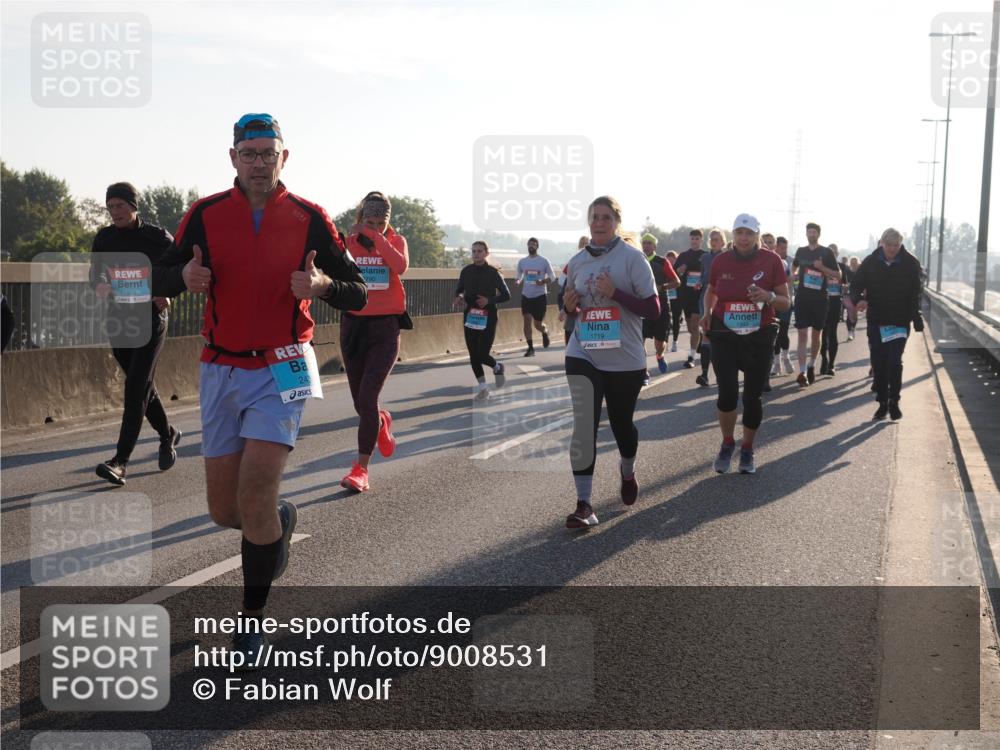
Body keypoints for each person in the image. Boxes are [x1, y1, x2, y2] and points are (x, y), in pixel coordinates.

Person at [152, 113, 367, 664]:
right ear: (233, 159)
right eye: (249, 153)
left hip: (282, 366)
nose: (259, 163)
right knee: (226, 511)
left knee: (254, 495)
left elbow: (359, 293)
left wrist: (322, 284)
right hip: (220, 368)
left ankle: (250, 622)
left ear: (283, 158)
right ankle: (281, 520)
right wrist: (183, 280)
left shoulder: (310, 217)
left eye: (268, 153)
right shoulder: (202, 216)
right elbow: (157, 276)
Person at [562, 196, 658, 529]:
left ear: (616, 222)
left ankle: (627, 469)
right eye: (594, 217)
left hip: (625, 358)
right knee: (584, 424)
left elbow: (653, 310)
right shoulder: (576, 262)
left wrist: (616, 293)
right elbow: (570, 307)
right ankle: (584, 504)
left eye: (606, 217)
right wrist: (570, 304)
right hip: (583, 352)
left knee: (621, 426)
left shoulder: (633, 259)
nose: (599, 223)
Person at [90, 182, 180, 486]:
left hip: (151, 320)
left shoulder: (156, 237)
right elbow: (94, 275)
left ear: (134, 206)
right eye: (111, 206)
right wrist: (100, 285)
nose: (115, 212)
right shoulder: (104, 238)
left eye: (121, 206)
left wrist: (168, 293)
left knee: (135, 388)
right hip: (119, 320)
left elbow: (182, 268)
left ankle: (120, 462)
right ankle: (167, 435)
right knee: (141, 387)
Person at [700, 214, 791, 474]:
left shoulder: (771, 260)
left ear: (756, 236)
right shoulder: (721, 260)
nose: (743, 237)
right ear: (733, 235)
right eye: (739, 232)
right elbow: (711, 290)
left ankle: (748, 449)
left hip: (759, 335)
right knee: (727, 393)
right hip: (725, 334)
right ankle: (728, 443)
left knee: (752, 397)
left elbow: (786, 302)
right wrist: (707, 313)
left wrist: (768, 296)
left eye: (748, 233)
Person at [339, 192, 409, 493]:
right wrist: (350, 240)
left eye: (382, 223)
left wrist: (377, 238)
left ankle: (361, 470)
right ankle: (381, 421)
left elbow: (400, 265)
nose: (376, 227)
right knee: (361, 404)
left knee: (367, 399)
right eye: (370, 222)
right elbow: (334, 273)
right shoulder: (347, 242)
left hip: (386, 328)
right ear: (360, 217)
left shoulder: (395, 240)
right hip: (353, 327)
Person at [850, 228, 924, 420]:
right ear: (882, 243)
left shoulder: (910, 262)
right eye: (889, 245)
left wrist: (916, 316)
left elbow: (917, 291)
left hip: (899, 320)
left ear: (900, 244)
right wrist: (859, 300)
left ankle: (894, 401)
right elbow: (856, 285)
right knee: (879, 363)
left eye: (896, 246)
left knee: (894, 362)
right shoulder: (870, 261)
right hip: (877, 320)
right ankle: (882, 402)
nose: (892, 249)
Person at [454, 241, 511, 400]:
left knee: (482, 354)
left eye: (479, 251)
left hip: (488, 317)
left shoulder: (493, 273)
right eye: (473, 251)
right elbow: (460, 289)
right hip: (471, 316)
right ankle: (483, 388)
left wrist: (489, 300)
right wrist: (459, 297)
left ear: (486, 253)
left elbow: (507, 295)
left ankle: (497, 366)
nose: (476, 254)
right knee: (473, 355)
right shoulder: (466, 271)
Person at [792, 222, 841, 387]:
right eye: (809, 232)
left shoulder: (826, 252)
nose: (811, 234)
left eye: (814, 232)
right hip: (802, 298)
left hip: (820, 299)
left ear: (818, 234)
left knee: (816, 335)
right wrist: (793, 275)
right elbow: (795, 268)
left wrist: (822, 267)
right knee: (802, 334)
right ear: (806, 234)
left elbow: (838, 275)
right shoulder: (800, 251)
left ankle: (812, 364)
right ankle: (803, 371)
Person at [641, 233, 680, 379]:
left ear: (655, 246)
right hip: (642, 305)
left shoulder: (662, 262)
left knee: (659, 342)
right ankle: (643, 369)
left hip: (661, 305)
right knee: (640, 339)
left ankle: (659, 356)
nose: (646, 245)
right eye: (644, 243)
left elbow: (677, 282)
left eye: (649, 243)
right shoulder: (637, 260)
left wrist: (662, 287)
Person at [695, 228, 726, 387]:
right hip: (705, 300)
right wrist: (699, 283)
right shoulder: (705, 257)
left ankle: (723, 375)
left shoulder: (727, 257)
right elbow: (703, 275)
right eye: (712, 239)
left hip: (722, 301)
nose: (714, 241)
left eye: (717, 239)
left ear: (723, 242)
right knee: (706, 334)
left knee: (720, 338)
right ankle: (705, 374)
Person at [516, 237, 555, 356]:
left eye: (533, 244)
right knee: (527, 321)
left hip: (540, 296)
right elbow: (519, 275)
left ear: (537, 247)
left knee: (537, 324)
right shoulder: (522, 261)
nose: (531, 246)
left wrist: (543, 281)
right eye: (529, 244)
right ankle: (530, 348)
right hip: (526, 295)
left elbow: (552, 277)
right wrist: (518, 281)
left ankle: (545, 331)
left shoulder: (544, 261)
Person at [673, 229, 706, 368]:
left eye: (697, 239)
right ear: (689, 239)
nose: (694, 241)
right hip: (685, 295)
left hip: (699, 295)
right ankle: (700, 338)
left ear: (701, 240)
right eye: (692, 238)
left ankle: (691, 357)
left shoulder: (705, 255)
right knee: (692, 329)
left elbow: (710, 273)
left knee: (694, 323)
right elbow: (673, 274)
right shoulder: (683, 256)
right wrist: (679, 270)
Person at [819, 243, 851, 376]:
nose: (832, 254)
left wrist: (844, 287)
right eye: (829, 252)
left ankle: (831, 364)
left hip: (835, 302)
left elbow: (845, 283)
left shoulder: (842, 267)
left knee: (832, 333)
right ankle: (823, 360)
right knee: (822, 334)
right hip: (821, 302)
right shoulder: (820, 266)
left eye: (834, 252)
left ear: (837, 254)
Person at [769, 236, 795, 377]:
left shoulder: (789, 262)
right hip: (772, 302)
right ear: (776, 247)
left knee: (783, 332)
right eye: (781, 248)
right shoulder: (769, 260)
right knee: (774, 333)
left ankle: (787, 358)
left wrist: (791, 278)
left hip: (786, 301)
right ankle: (777, 363)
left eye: (786, 248)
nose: (784, 251)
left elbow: (791, 279)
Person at [558, 237, 590, 344]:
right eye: (583, 244)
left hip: (592, 319)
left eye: (587, 244)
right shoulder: (573, 263)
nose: (585, 246)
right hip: (574, 317)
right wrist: (564, 308)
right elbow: (562, 287)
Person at [665, 250, 682, 352]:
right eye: (669, 260)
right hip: (667, 299)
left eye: (673, 260)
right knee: (667, 321)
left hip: (678, 299)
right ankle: (665, 342)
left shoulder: (679, 270)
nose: (671, 262)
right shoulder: (664, 269)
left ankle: (675, 342)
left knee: (676, 320)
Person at [842, 256, 861, 341]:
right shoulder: (847, 272)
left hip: (857, 295)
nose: (854, 264)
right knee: (850, 311)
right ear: (850, 263)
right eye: (852, 262)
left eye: (855, 262)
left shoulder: (861, 272)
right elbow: (843, 282)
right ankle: (849, 332)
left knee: (854, 314)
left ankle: (853, 329)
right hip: (848, 294)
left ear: (858, 263)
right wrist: (844, 286)